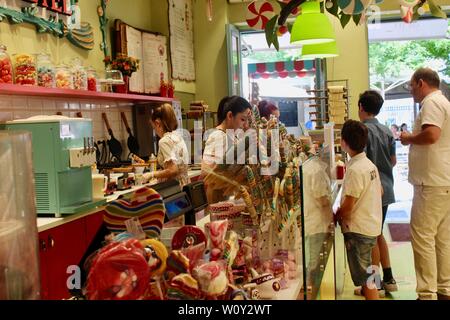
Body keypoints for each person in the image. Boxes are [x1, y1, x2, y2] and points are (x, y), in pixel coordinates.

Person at [400, 68, 450, 300]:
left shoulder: (431, 103)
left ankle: (427, 293)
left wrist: (409, 138)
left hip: (430, 183)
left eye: (411, 86)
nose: (411, 91)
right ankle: (444, 288)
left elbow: (431, 135)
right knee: (442, 239)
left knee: (423, 238)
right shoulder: (443, 102)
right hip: (442, 180)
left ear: (421, 83)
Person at [335, 120, 383, 300]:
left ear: (343, 142)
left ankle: (371, 293)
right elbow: (379, 191)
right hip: (372, 224)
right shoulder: (369, 165)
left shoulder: (355, 170)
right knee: (371, 266)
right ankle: (372, 291)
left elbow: (348, 206)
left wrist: (337, 215)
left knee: (366, 277)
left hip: (359, 229)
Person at [358, 90, 398, 294]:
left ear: (361, 108)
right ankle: (388, 278)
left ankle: (374, 285)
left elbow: (362, 162)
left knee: (372, 236)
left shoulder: (362, 131)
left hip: (372, 190)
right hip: (388, 187)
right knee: (379, 233)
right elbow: (393, 160)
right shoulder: (387, 130)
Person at [202, 96, 252, 202]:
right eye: (242, 119)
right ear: (230, 115)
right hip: (219, 198)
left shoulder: (233, 135)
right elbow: (205, 171)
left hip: (230, 196)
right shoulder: (217, 136)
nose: (245, 125)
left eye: (247, 120)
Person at [145, 103, 190, 187]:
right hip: (185, 184)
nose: (155, 131)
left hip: (175, 187)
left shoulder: (164, 141)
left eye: (154, 127)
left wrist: (152, 174)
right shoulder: (178, 136)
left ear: (158, 123)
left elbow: (173, 170)